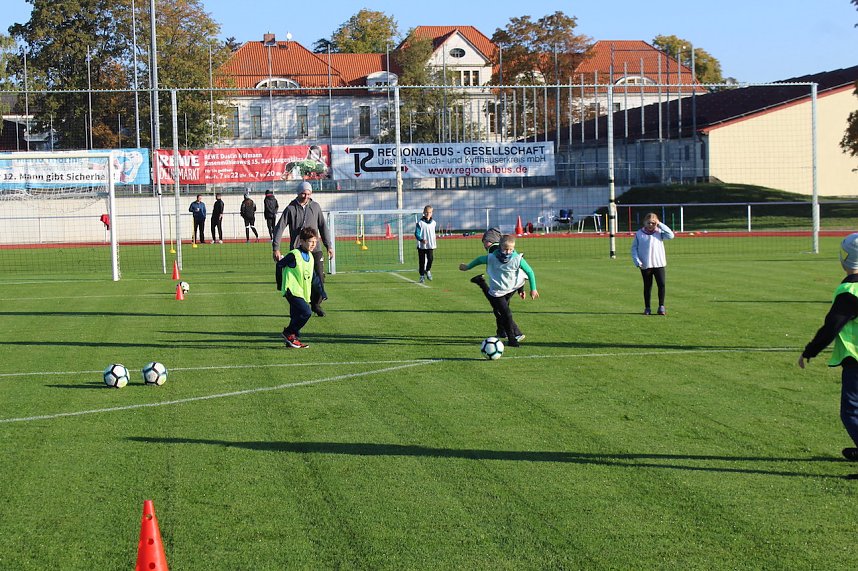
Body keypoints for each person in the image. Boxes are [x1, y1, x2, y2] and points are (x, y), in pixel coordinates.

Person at [799, 233, 858, 467]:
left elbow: (831, 327)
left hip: (856, 360)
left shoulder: (850, 292)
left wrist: (809, 351)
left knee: (851, 412)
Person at [459, 234, 539, 347]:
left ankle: (507, 335)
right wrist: (467, 267)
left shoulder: (517, 258)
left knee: (500, 311)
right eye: (506, 249)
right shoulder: (492, 257)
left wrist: (533, 289)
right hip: (498, 291)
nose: (508, 252)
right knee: (506, 313)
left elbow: (529, 272)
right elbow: (479, 259)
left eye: (511, 249)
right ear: (500, 247)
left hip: (512, 287)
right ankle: (511, 339)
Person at [272, 181, 334, 317]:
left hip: (315, 250)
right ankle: (299, 307)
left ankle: (316, 304)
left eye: (308, 194)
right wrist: (276, 248)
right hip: (298, 251)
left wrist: (329, 245)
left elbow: (323, 227)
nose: (306, 196)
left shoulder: (316, 207)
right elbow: (279, 228)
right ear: (298, 193)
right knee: (298, 281)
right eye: (303, 193)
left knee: (319, 278)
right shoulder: (290, 209)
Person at [275, 227, 321, 349]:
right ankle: (288, 332)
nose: (313, 244)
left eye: (315, 242)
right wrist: (280, 284)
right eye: (310, 241)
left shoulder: (310, 257)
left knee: (296, 316)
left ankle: (291, 341)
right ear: (302, 241)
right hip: (292, 290)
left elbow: (312, 276)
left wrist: (321, 292)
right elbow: (280, 264)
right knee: (306, 312)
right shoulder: (294, 255)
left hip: (301, 292)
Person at [631, 212, 675, 315]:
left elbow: (671, 235)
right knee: (647, 286)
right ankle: (647, 308)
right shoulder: (639, 234)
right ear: (644, 222)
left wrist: (660, 224)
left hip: (659, 264)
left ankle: (661, 306)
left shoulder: (660, 232)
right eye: (648, 223)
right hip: (645, 265)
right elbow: (634, 249)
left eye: (653, 223)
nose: (650, 225)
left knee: (661, 285)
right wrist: (637, 261)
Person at [415, 205, 437, 283]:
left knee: (430, 259)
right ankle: (421, 276)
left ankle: (427, 270)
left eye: (430, 212)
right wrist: (421, 240)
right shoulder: (420, 223)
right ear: (424, 213)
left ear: (432, 213)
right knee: (422, 261)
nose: (428, 214)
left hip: (430, 245)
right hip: (421, 246)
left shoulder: (434, 223)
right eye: (427, 212)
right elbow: (416, 233)